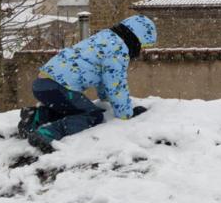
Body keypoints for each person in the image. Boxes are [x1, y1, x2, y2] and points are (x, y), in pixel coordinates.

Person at [17, 15, 157, 153]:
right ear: (136, 40)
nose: (141, 51)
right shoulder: (118, 50)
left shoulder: (104, 38)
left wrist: (105, 98)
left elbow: (104, 79)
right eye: (143, 46)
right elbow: (116, 85)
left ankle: (36, 117)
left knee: (72, 109)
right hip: (59, 87)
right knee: (92, 115)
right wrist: (126, 114)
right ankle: (48, 133)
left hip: (42, 84)